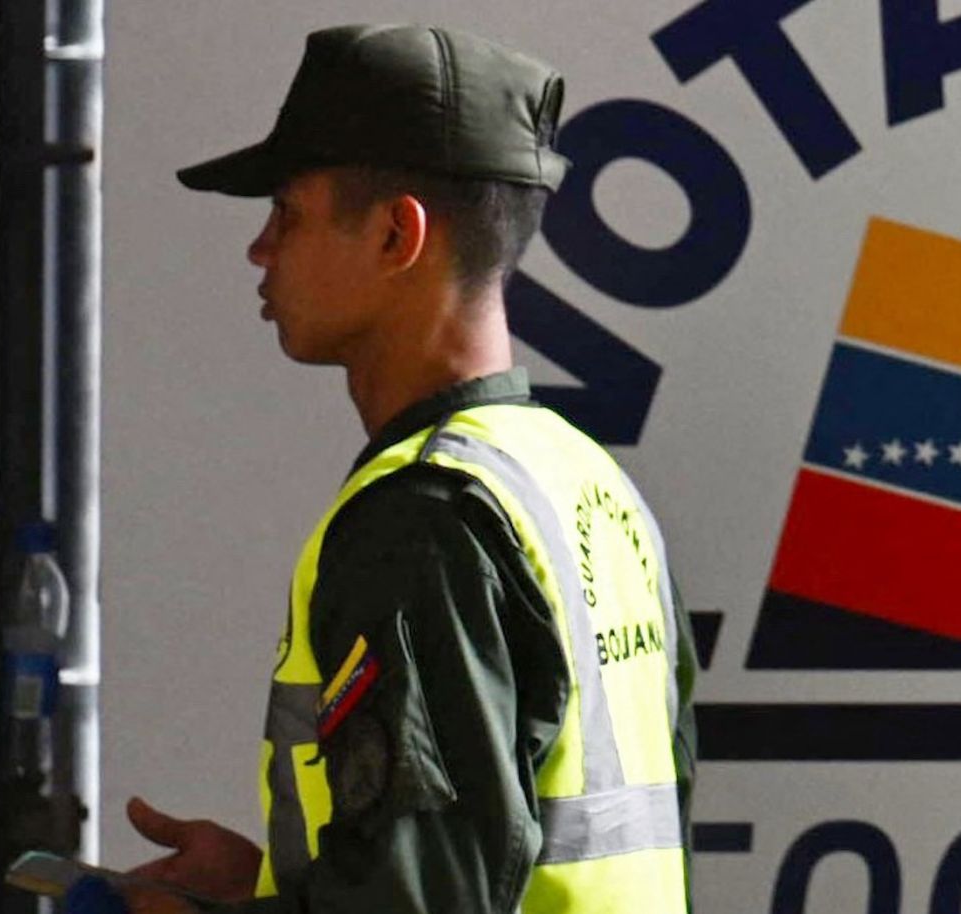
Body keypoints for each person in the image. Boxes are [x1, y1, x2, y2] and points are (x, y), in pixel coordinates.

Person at [116, 23, 698, 914]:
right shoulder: (586, 483)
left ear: (397, 234)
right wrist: (265, 887)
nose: (259, 251)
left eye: (288, 214)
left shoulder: (422, 518)